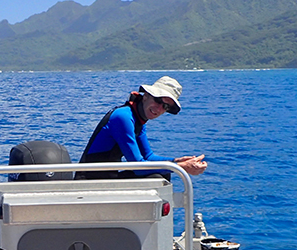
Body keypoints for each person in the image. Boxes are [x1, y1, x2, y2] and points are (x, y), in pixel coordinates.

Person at [75, 76, 207, 180]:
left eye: (165, 107)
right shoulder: (123, 117)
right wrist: (180, 167)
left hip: (106, 179)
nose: (159, 109)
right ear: (146, 96)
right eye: (158, 100)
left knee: (162, 174)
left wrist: (176, 161)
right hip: (88, 181)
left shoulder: (138, 119)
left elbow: (148, 156)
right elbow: (138, 166)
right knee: (156, 176)